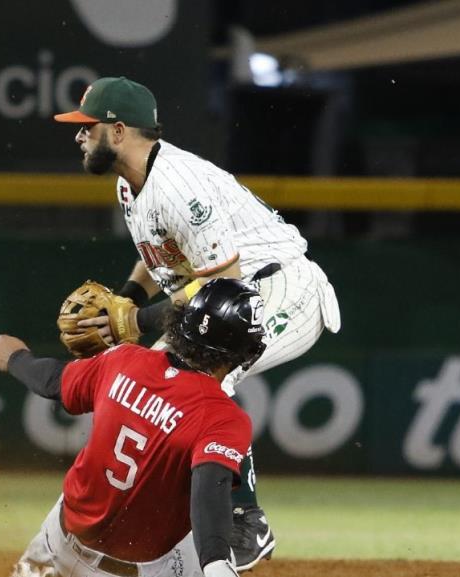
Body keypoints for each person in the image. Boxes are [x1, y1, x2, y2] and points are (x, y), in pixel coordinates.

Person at [53, 76, 342, 570]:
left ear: (118, 131)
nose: (79, 136)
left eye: (88, 127)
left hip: (281, 288)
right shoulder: (133, 183)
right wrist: (125, 300)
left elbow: (223, 281)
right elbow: (158, 256)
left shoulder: (177, 186)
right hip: (225, 298)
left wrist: (135, 320)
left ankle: (246, 517)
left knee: (204, 374)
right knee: (150, 378)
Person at [0, 278, 268, 577]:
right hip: (133, 569)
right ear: (244, 352)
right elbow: (210, 491)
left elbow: (53, 381)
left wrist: (16, 358)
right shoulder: (223, 417)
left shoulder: (124, 359)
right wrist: (215, 563)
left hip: (54, 547)